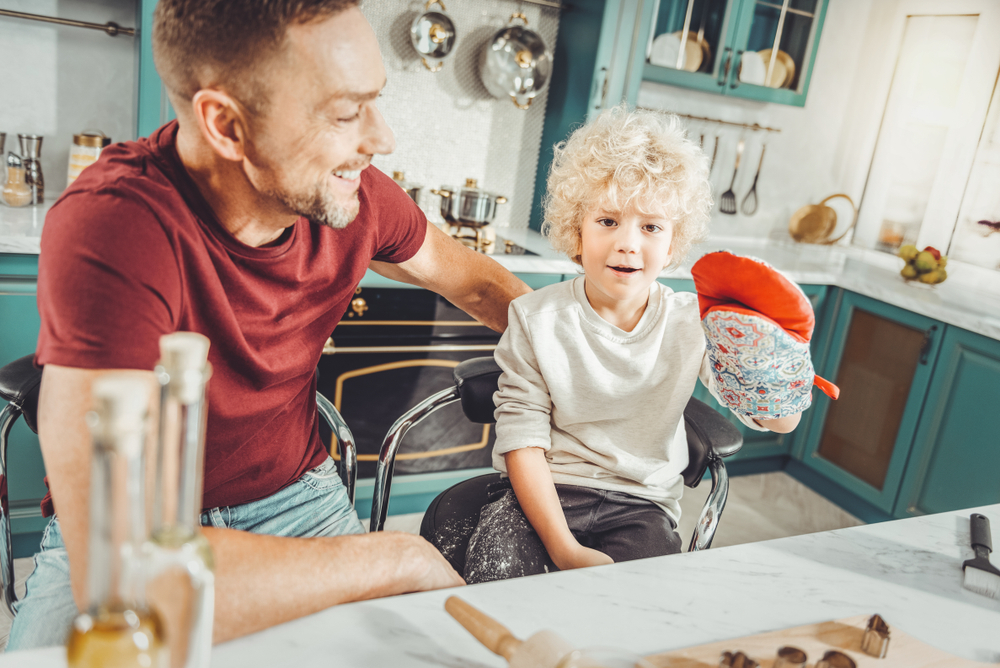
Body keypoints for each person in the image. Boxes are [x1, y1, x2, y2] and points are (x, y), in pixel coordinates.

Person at [8, 0, 531, 651]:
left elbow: (481, 285)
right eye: (345, 113)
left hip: (300, 501)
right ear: (226, 124)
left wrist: (580, 376)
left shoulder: (354, 195)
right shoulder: (115, 225)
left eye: (373, 102)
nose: (382, 138)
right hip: (136, 532)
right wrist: (401, 557)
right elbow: (127, 573)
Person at [462, 106, 803, 584]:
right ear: (575, 227)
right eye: (607, 221)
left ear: (674, 241)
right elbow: (523, 442)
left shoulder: (695, 323)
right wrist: (564, 549)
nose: (627, 243)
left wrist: (770, 362)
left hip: (641, 505)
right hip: (545, 492)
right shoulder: (535, 319)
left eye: (651, 227)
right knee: (497, 586)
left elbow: (778, 421)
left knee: (640, 609)